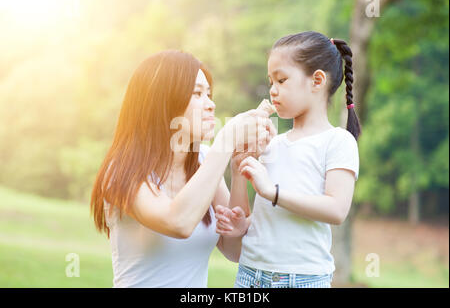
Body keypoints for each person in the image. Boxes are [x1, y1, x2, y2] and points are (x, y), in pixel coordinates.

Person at [90, 50, 276, 287]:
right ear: (163, 101)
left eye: (209, 94)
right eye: (198, 93)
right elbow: (178, 222)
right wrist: (226, 140)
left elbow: (236, 250)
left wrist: (239, 171)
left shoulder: (205, 160)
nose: (211, 105)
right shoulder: (120, 172)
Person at [215, 31, 361, 288]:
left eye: (281, 80)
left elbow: (336, 210)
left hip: (303, 280)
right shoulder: (271, 144)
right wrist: (243, 215)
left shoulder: (338, 141)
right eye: (270, 81)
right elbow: (266, 220)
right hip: (250, 275)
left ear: (317, 81)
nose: (272, 90)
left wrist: (273, 192)